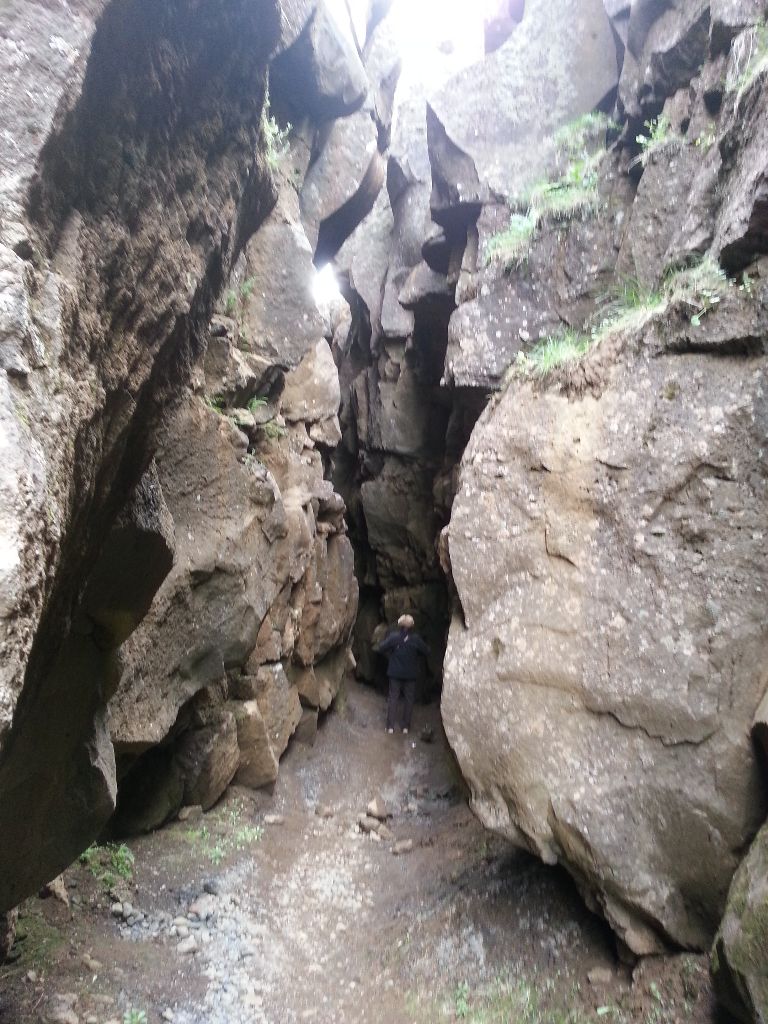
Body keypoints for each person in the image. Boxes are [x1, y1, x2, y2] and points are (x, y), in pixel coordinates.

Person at [376, 615, 430, 735]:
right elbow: (427, 651)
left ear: (399, 625)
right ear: (412, 626)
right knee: (409, 700)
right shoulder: (416, 639)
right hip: (410, 674)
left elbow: (381, 648)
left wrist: (391, 654)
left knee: (393, 698)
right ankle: (405, 727)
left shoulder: (393, 637)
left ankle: (390, 727)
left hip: (395, 672)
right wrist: (416, 656)